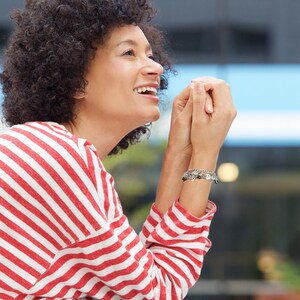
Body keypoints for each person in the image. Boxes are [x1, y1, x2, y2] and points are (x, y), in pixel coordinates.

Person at [0, 0, 236, 299]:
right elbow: (157, 291)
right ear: (75, 78)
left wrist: (180, 148)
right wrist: (205, 153)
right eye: (129, 53)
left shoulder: (45, 149)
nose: (156, 67)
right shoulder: (57, 157)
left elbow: (148, 275)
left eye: (150, 55)